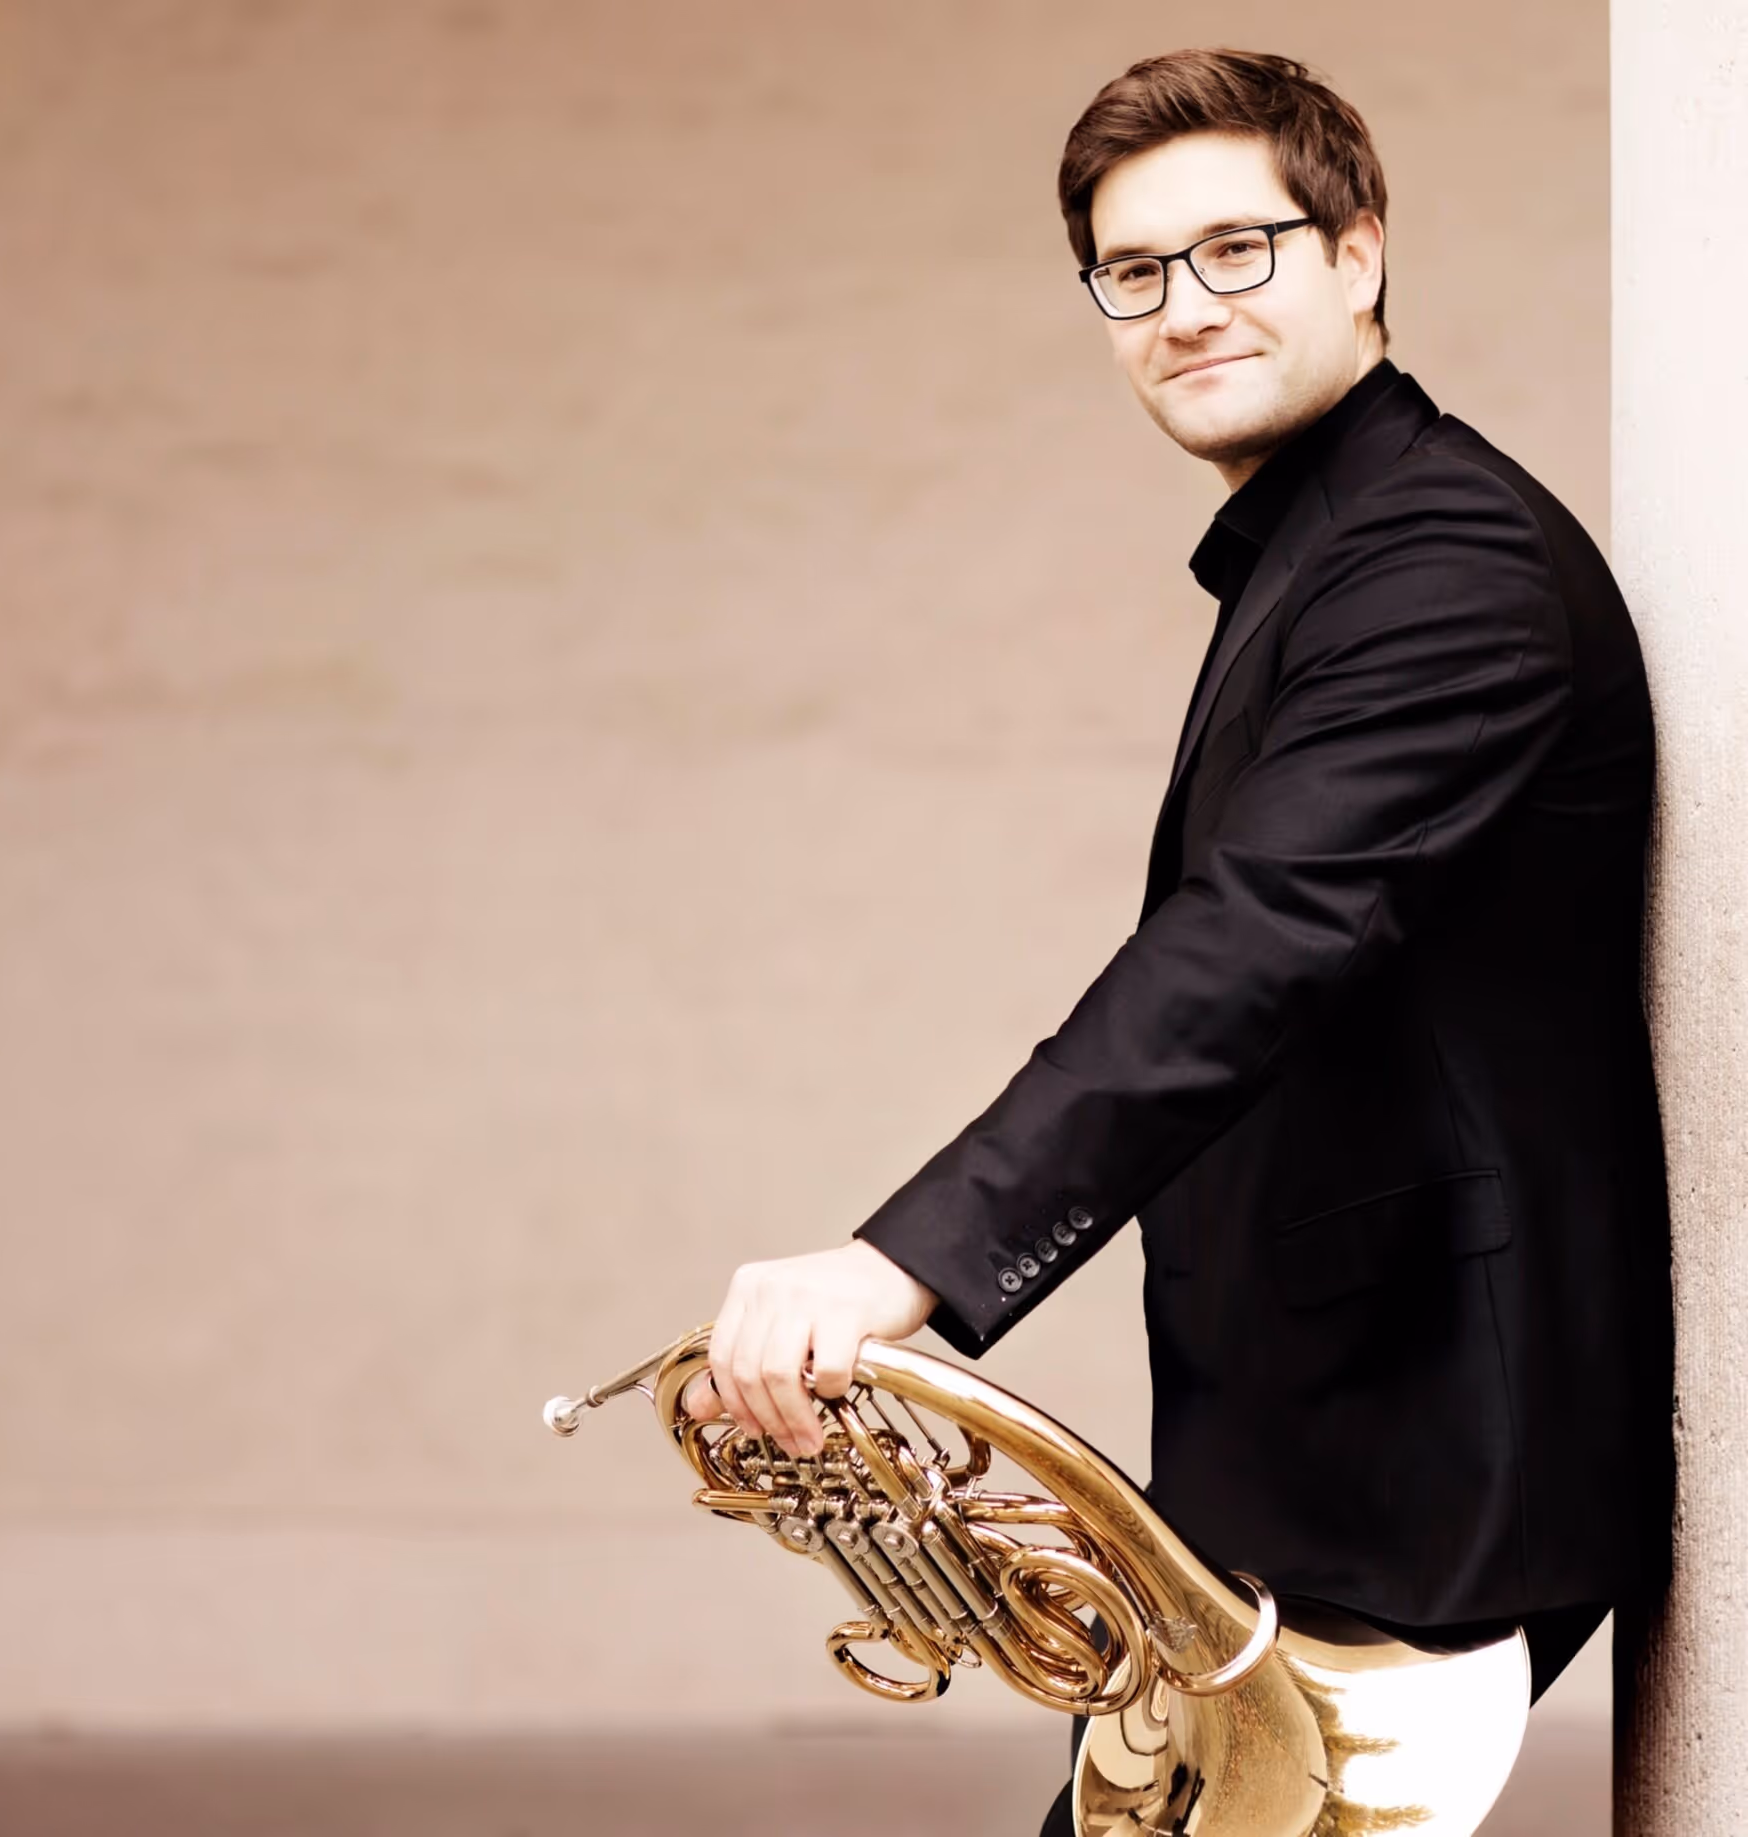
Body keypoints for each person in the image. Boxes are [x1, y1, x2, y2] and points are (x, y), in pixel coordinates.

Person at [686, 48, 1673, 1827]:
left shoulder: (1444, 561)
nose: (1183, 308)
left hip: (1420, 1462)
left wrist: (906, 1263)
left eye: (1240, 250)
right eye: (1132, 274)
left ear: (1359, 252)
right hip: (1300, 1449)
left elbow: (1255, 943)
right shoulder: (1331, 551)